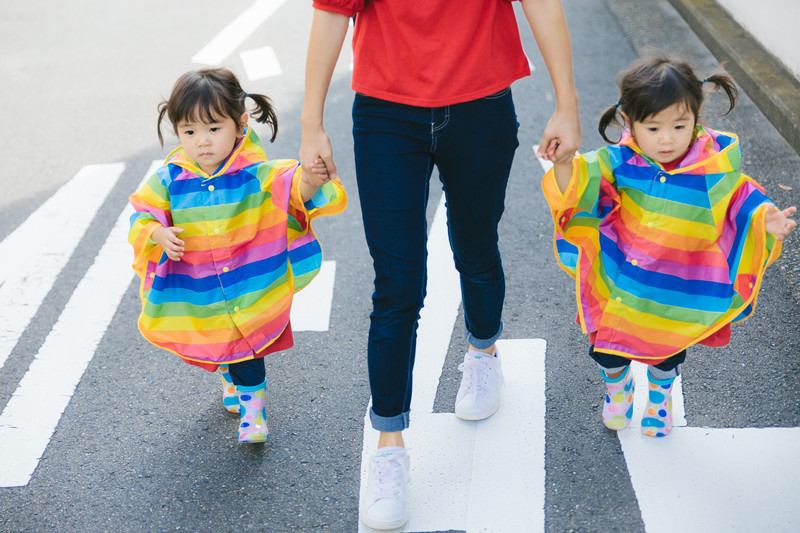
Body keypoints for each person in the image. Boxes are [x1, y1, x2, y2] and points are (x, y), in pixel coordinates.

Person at [301, 0, 581, 529]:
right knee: (397, 284)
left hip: (482, 104)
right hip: (385, 113)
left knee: (474, 248)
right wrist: (311, 122)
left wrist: (567, 103)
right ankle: (389, 447)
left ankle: (483, 351)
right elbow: (332, 11)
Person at [543, 56, 796, 438]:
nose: (667, 138)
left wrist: (765, 219)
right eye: (654, 127)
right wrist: (563, 162)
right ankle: (619, 389)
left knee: (667, 352)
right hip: (622, 281)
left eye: (680, 126)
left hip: (677, 284)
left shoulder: (711, 167)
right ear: (629, 122)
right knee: (608, 349)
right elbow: (581, 184)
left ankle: (660, 400)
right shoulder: (619, 160)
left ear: (696, 119)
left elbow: (740, 196)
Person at [128, 67, 347, 444]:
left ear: (240, 124)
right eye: (190, 132)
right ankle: (231, 381)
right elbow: (142, 213)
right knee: (219, 337)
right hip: (202, 285)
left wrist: (313, 175)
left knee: (247, 343)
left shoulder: (257, 175)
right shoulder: (169, 179)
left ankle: (253, 411)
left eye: (214, 129)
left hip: (249, 281)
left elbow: (295, 188)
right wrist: (158, 233)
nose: (202, 142)